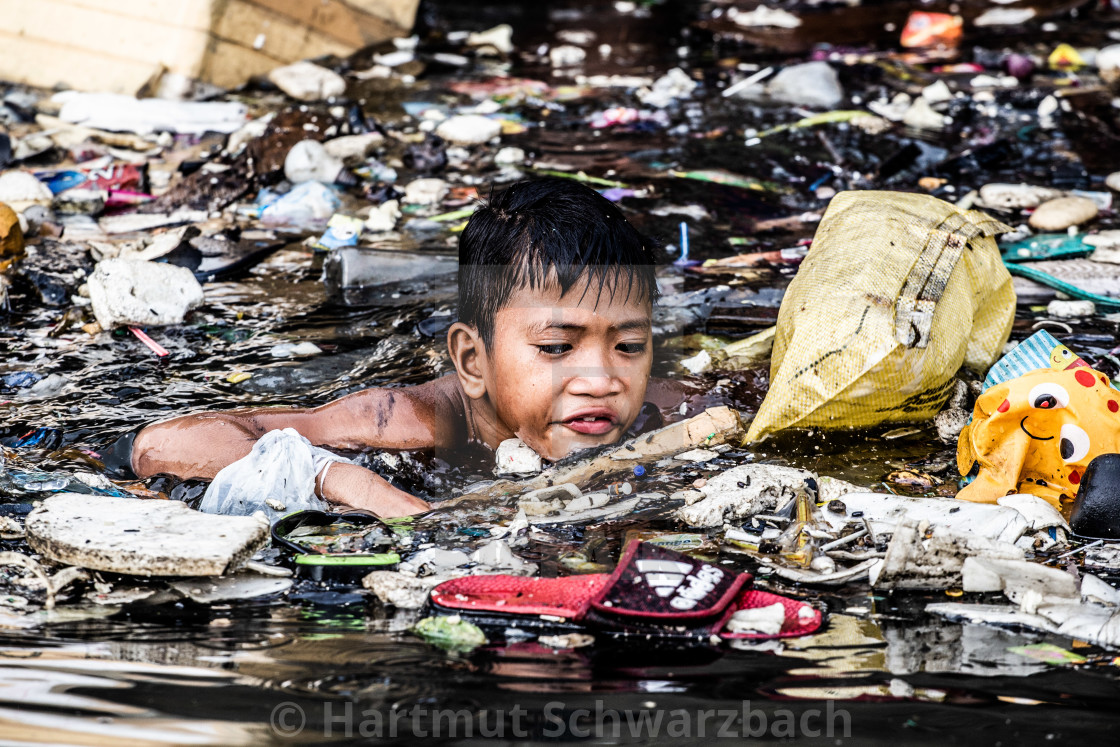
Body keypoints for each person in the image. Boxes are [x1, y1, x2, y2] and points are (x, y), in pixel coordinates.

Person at [131, 178, 692, 517]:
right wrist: (339, 478)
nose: (601, 379)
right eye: (554, 347)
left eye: (629, 344)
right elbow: (156, 444)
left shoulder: (663, 411)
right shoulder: (408, 425)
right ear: (473, 360)